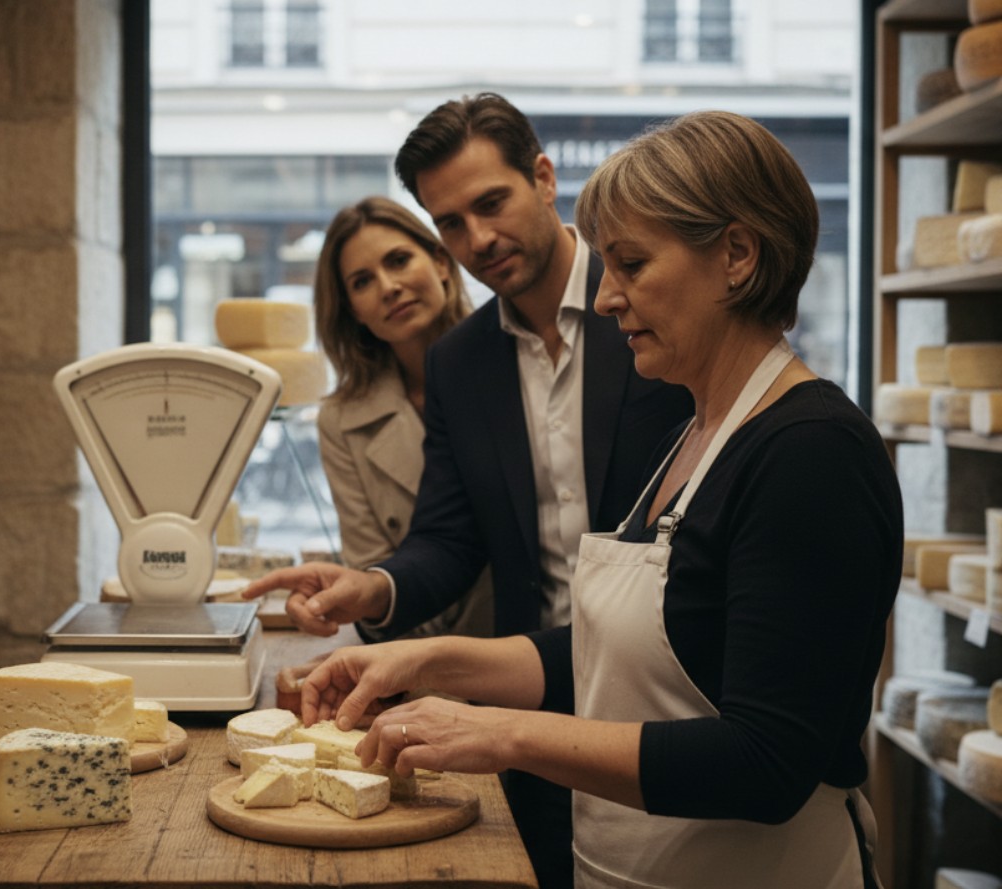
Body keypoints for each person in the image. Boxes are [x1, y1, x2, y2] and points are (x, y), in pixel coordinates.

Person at [295, 110, 903, 889]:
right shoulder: (697, 430)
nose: (608, 298)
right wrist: (423, 658)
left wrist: (500, 731)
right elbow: (614, 650)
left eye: (633, 264)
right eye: (607, 266)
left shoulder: (812, 452)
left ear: (737, 256)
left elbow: (766, 760)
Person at [246, 92, 693, 888]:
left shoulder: (647, 309)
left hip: (670, 693)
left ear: (545, 178)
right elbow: (450, 541)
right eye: (450, 222)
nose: (477, 240)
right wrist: (373, 586)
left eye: (492, 203)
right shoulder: (462, 360)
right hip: (526, 701)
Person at [313, 196, 492, 639]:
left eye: (398, 260)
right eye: (362, 281)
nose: (388, 286)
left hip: (534, 653)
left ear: (441, 263)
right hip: (415, 665)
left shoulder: (512, 364)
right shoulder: (342, 420)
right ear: (353, 309)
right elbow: (370, 569)